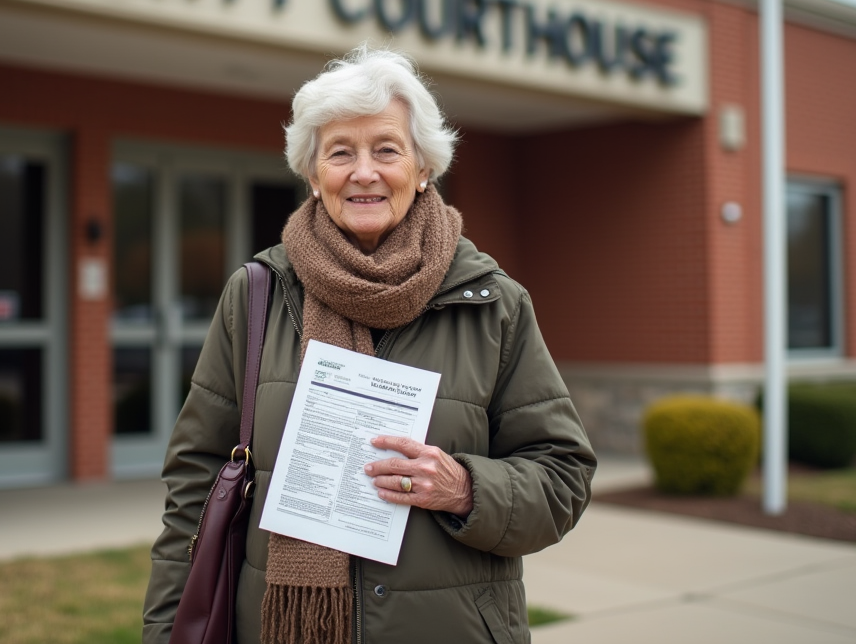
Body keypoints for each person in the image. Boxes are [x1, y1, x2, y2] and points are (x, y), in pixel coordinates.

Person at [143, 45, 596, 644]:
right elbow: (195, 484)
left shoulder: (493, 304)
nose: (363, 172)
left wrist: (466, 488)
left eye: (386, 149)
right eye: (340, 152)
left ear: (423, 167)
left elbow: (563, 477)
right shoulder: (256, 294)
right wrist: (167, 629)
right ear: (313, 174)